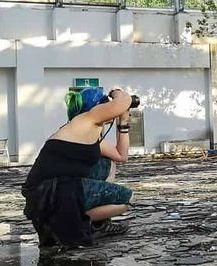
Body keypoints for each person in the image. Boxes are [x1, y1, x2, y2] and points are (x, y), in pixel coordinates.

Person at [22, 87, 135, 248]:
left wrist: (123, 122)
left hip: (49, 192)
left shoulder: (84, 129)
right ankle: (67, 219)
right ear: (96, 108)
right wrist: (116, 92)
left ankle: (96, 225)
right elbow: (123, 102)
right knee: (128, 200)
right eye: (104, 104)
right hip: (50, 194)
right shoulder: (86, 119)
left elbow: (121, 155)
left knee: (107, 163)